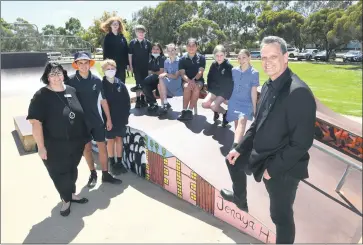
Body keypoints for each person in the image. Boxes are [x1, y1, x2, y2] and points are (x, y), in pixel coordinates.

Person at [221, 36, 316, 244]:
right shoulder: (268, 85)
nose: (267, 62)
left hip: (283, 168)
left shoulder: (298, 92)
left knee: (280, 217)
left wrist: (272, 170)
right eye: (263, 57)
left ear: (286, 57)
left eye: (273, 56)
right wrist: (239, 147)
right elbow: (257, 124)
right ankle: (240, 199)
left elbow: (301, 143)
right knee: (232, 160)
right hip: (261, 153)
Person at [27, 63, 89, 217]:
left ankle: (71, 194)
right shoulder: (41, 96)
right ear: (47, 77)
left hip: (75, 143)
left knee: (71, 170)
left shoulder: (71, 90)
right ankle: (66, 199)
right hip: (54, 145)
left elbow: (78, 114)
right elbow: (35, 123)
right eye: (52, 74)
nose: (56, 77)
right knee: (59, 173)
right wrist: (41, 147)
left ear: (64, 74)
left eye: (58, 73)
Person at [66, 51, 122, 188]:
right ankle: (93, 174)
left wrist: (108, 119)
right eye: (80, 63)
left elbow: (103, 101)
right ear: (76, 65)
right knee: (87, 149)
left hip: (97, 119)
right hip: (81, 122)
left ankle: (106, 174)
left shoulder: (97, 80)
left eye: (86, 63)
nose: (84, 65)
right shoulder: (70, 81)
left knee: (102, 147)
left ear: (90, 64)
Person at [101, 59, 130, 175]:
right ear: (103, 70)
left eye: (112, 69)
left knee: (119, 139)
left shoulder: (120, 84)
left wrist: (126, 115)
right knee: (111, 140)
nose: (110, 71)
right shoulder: (101, 85)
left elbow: (127, 101)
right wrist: (106, 119)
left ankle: (119, 161)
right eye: (108, 69)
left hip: (120, 118)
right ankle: (112, 162)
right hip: (108, 119)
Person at [226, 49, 259, 144]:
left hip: (246, 103)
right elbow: (228, 85)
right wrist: (226, 98)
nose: (241, 60)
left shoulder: (254, 73)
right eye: (239, 58)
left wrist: (254, 107)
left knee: (242, 121)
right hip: (234, 101)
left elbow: (253, 92)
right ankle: (238, 144)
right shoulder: (233, 71)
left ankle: (235, 147)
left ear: (249, 58)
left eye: (244, 57)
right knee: (237, 125)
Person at [202, 45, 233, 126]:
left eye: (221, 55)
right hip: (214, 91)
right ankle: (216, 111)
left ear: (225, 55)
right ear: (214, 56)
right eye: (217, 55)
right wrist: (210, 90)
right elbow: (209, 78)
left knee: (213, 105)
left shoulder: (228, 66)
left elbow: (230, 83)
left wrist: (227, 96)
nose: (219, 58)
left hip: (223, 92)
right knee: (204, 104)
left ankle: (225, 113)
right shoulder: (213, 65)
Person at [178, 38, 206, 121]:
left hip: (198, 80)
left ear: (197, 47)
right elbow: (182, 74)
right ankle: (184, 111)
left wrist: (193, 80)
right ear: (186, 47)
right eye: (189, 45)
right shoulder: (182, 59)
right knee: (187, 87)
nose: (191, 47)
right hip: (186, 80)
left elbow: (200, 72)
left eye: (193, 45)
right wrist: (189, 81)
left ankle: (189, 111)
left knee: (196, 88)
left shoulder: (201, 58)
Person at [128, 25, 152, 108]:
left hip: (146, 67)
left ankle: (143, 99)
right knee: (138, 83)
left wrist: (150, 67)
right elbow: (130, 55)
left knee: (144, 83)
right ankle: (138, 100)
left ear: (144, 33)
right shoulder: (132, 43)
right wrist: (130, 66)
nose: (141, 33)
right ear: (136, 33)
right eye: (139, 32)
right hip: (136, 67)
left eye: (142, 32)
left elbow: (150, 56)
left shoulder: (148, 43)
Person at [101, 16, 130, 82]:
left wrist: (127, 64)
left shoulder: (122, 38)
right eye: (113, 24)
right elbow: (105, 52)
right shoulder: (107, 37)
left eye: (117, 24)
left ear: (119, 26)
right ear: (110, 25)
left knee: (121, 83)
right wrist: (105, 65)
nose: (115, 25)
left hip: (121, 66)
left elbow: (126, 52)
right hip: (111, 66)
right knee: (111, 83)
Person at [158, 43, 183, 115]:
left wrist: (165, 74)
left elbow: (176, 76)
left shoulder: (179, 61)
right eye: (168, 51)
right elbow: (165, 72)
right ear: (166, 52)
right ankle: (165, 105)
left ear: (176, 51)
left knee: (161, 79)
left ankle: (165, 104)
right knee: (159, 85)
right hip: (169, 82)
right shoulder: (166, 61)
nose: (171, 52)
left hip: (176, 84)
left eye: (172, 50)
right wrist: (164, 74)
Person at [142, 42, 166, 114]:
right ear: (151, 50)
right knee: (145, 86)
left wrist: (153, 73)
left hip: (161, 81)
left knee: (145, 81)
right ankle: (153, 103)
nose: (155, 51)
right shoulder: (150, 59)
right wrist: (153, 73)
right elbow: (149, 72)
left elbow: (161, 72)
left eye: (157, 49)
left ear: (160, 51)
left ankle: (140, 85)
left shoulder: (162, 58)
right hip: (153, 79)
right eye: (153, 49)